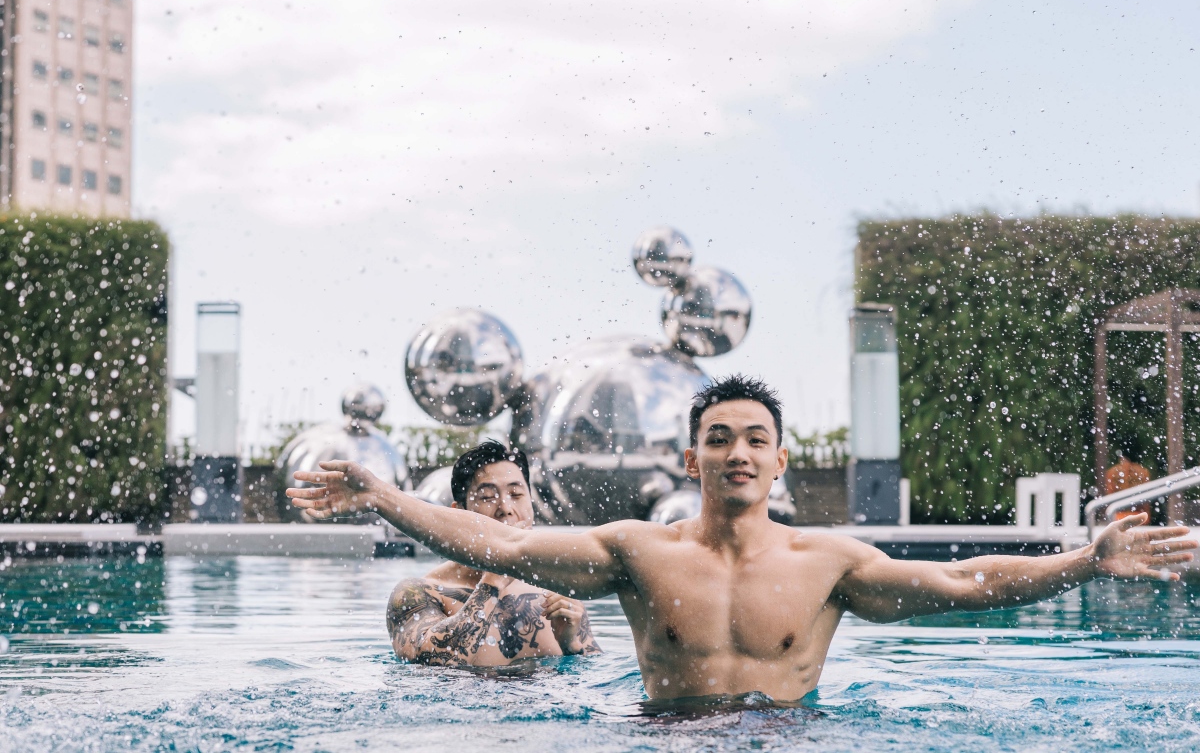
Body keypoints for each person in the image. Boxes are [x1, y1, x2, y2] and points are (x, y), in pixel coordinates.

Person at [288, 375, 1196, 701]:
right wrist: (381, 493)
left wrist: (1088, 560)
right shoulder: (640, 551)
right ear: (692, 459)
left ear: (779, 460)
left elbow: (962, 583)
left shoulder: (827, 563)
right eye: (719, 438)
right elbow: (507, 548)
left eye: (755, 439)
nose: (738, 453)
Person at [385, 440, 600, 666]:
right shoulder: (418, 593)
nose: (505, 508)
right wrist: (496, 576)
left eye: (516, 494)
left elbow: (596, 673)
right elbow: (428, 661)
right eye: (487, 497)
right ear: (459, 514)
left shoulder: (557, 589)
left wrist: (571, 646)